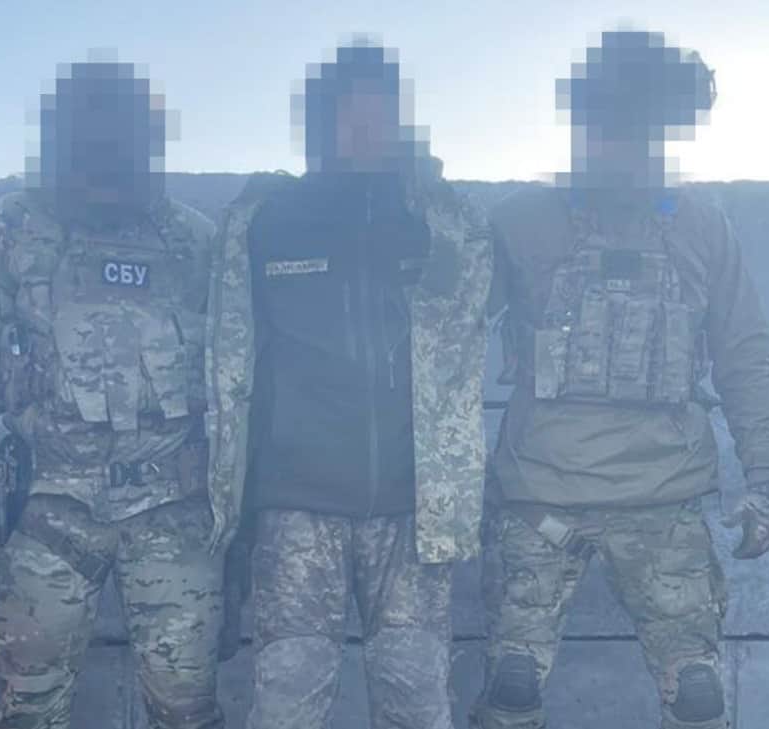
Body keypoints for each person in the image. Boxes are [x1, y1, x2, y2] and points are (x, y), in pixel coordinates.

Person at [472, 30, 769, 729]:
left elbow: (744, 354)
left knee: (698, 695)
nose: (624, 143)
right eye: (609, 122)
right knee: (512, 687)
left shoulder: (702, 227)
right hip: (540, 501)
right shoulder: (520, 223)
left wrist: (765, 476)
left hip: (662, 502)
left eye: (642, 126)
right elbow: (445, 339)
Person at [0, 58, 247, 729]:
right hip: (44, 508)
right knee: (26, 707)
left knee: (188, 708)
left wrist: (241, 515)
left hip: (173, 511)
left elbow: (238, 380)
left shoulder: (193, 241)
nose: (106, 146)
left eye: (123, 130)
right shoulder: (9, 228)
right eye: (88, 129)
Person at [219, 39, 493, 729]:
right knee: (285, 706)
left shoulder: (440, 222)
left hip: (411, 515)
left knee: (418, 707)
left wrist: (427, 196)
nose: (366, 127)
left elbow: (476, 308)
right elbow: (230, 359)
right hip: (296, 509)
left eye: (382, 112)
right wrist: (232, 505)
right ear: (319, 122)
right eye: (349, 112)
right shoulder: (268, 221)